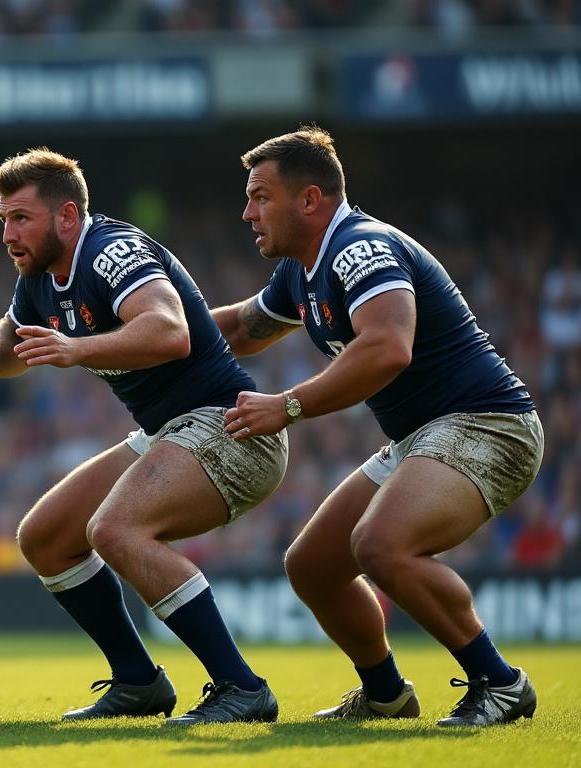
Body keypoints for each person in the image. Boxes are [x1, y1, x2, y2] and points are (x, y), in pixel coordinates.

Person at [212, 126, 542, 726]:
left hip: (488, 424)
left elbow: (389, 347)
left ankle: (499, 682)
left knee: (381, 545)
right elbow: (236, 330)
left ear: (310, 200)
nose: (247, 211)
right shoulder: (301, 269)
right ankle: (386, 694)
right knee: (313, 565)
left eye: (261, 196)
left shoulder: (358, 247)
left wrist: (288, 405)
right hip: (425, 435)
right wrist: (128, 335)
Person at [0, 148, 288, 726]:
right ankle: (137, 681)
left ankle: (241, 686)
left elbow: (170, 329)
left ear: (68, 216)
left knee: (115, 528)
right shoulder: (36, 278)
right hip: (168, 432)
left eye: (21, 218)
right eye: (3, 219)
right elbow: (13, 338)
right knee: (47, 536)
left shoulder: (112, 249)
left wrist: (75, 347)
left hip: (232, 427)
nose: (8, 233)